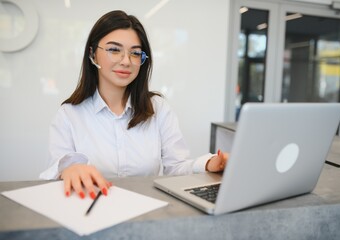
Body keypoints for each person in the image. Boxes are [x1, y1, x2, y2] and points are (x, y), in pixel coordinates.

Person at [39, 10, 228, 200]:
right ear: (93, 54)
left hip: (149, 212)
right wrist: (68, 170)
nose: (126, 61)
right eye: (114, 50)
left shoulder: (158, 108)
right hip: (91, 214)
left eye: (135, 53)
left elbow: (176, 167)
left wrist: (209, 164)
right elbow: (55, 171)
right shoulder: (69, 114)